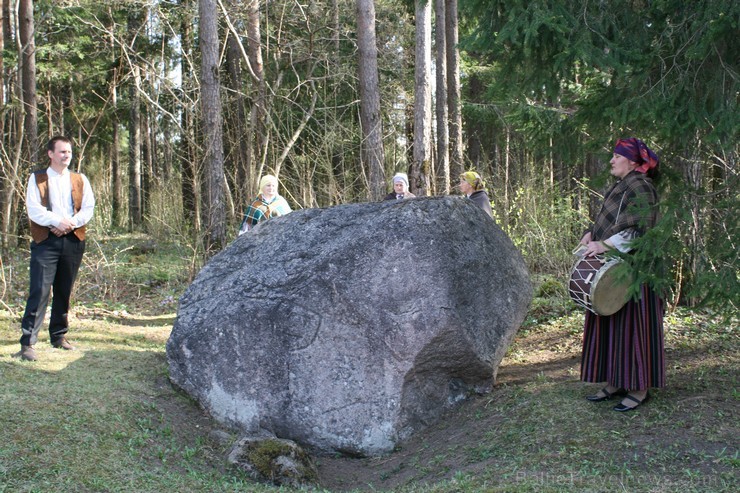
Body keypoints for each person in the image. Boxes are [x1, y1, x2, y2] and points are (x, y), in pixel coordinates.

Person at [579, 137, 664, 412]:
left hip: (635, 273)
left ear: (632, 161)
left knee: (633, 328)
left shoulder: (641, 185)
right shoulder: (622, 185)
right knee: (613, 326)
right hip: (614, 270)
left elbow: (641, 228)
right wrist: (593, 234)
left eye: (617, 156)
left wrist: (605, 244)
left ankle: (639, 388)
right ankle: (617, 381)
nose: (612, 160)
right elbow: (613, 221)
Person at [13, 136, 95, 362]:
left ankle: (58, 336)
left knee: (64, 290)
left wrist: (70, 224)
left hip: (73, 240)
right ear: (51, 154)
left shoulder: (80, 179)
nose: (66, 155)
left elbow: (88, 208)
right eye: (62, 152)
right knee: (39, 291)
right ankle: (28, 343)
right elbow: (34, 209)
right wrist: (56, 222)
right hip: (46, 241)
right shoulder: (37, 178)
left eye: (68, 152)